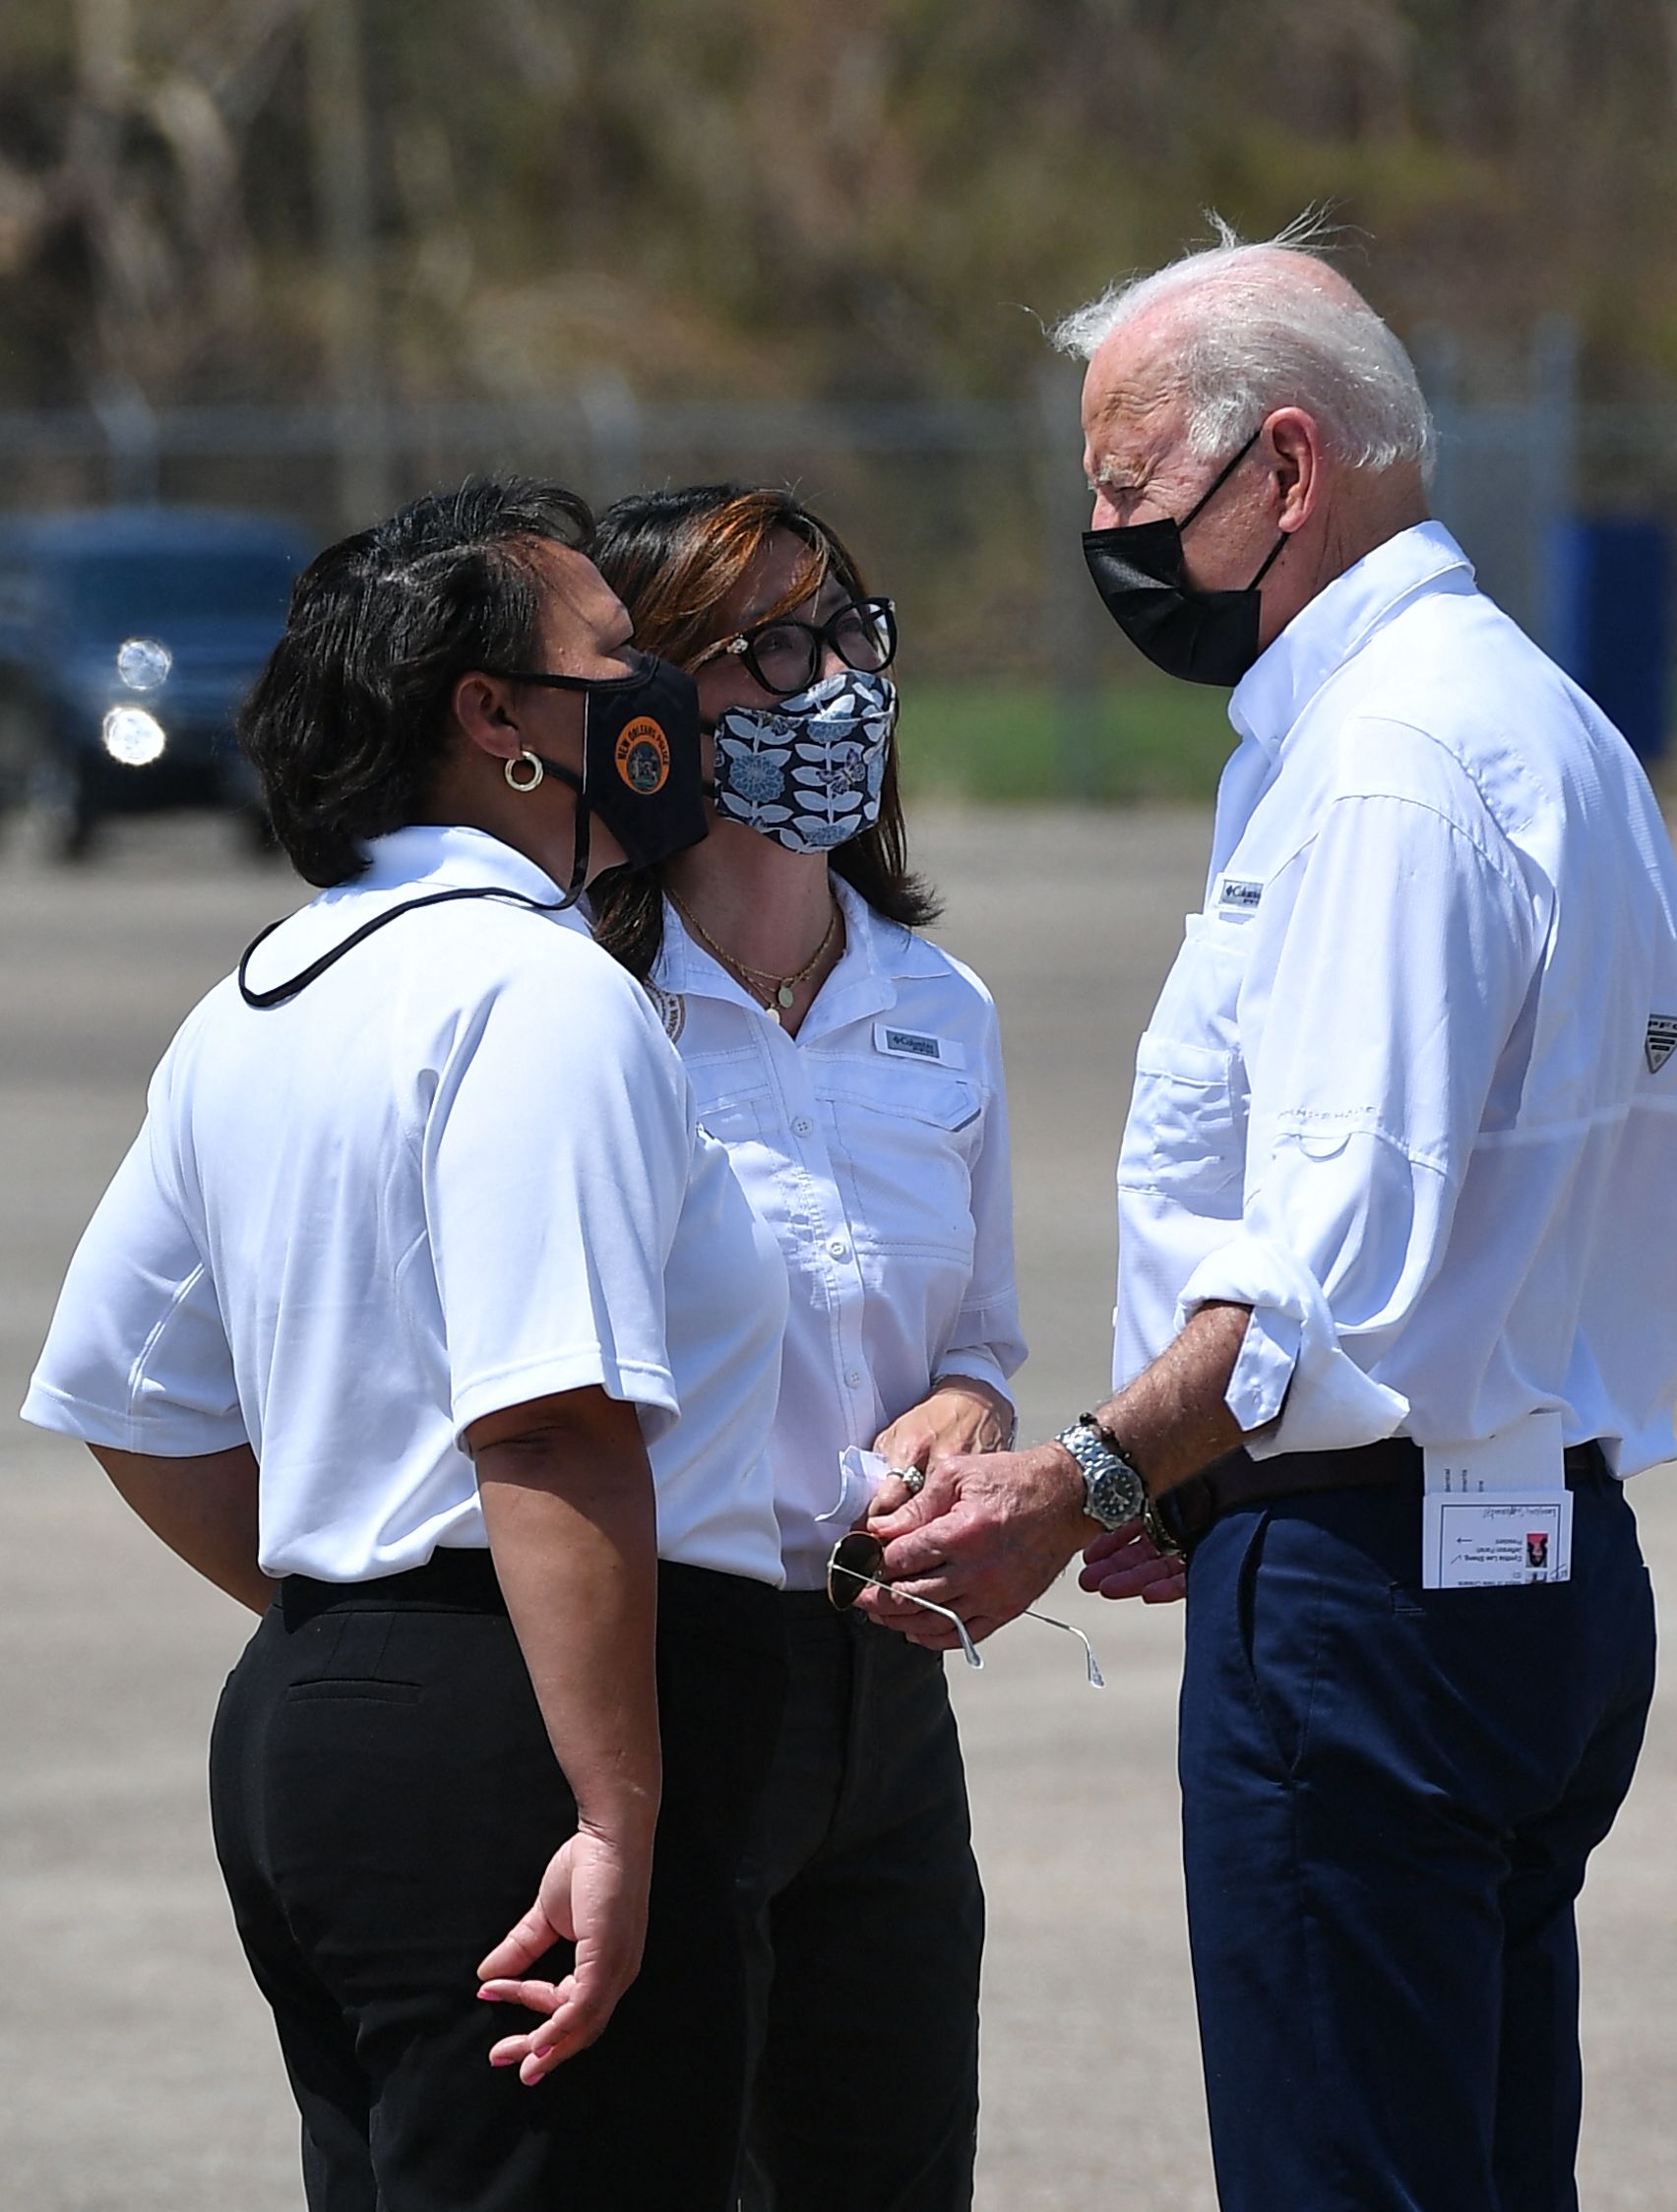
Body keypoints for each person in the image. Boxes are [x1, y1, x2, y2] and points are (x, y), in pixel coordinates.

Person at [857, 225, 1677, 2212]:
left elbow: (1325, 1269)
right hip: (1528, 1555)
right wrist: (1190, 1488)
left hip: (1370, 1611)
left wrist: (1092, 1481)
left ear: (1284, 473)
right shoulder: (1540, 720)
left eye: (1133, 494)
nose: (1110, 540)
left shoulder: (1386, 768)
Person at [20, 479, 793, 2212]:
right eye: (613, 657)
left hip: (331, 1715)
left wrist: (356, 1611)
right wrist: (608, 1809)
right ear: (495, 717)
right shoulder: (537, 991)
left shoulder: (263, 993)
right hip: (526, 1743)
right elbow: (551, 1429)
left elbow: (132, 1398)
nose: (654, 695)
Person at [588, 483, 1025, 2212]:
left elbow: (979, 1336)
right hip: (665, 1680)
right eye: (766, 645)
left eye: (848, 630)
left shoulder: (943, 1007)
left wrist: (968, 1413)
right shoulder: (578, 1007)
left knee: (896, 2171)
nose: (829, 677)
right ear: (647, 707)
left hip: (888, 1696)